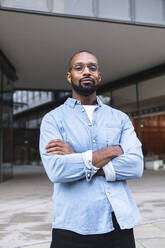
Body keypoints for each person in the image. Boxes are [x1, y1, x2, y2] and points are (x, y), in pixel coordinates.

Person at [39, 50, 144, 248]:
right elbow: (57, 170)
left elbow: (136, 165)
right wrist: (112, 150)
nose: (86, 71)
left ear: (99, 76)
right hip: (72, 225)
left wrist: (78, 158)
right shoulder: (53, 119)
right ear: (69, 76)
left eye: (92, 68)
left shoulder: (120, 118)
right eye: (79, 68)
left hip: (118, 222)